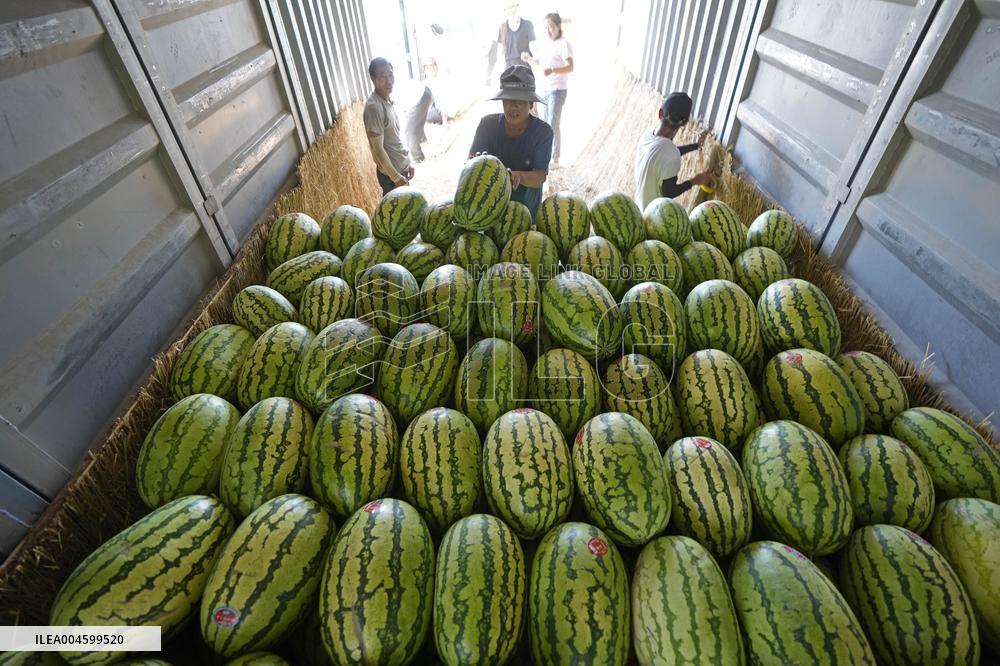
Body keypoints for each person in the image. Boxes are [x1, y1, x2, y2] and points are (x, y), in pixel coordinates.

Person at [469, 65, 553, 219]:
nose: (513, 105)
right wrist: (475, 164)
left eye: (520, 100)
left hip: (525, 215)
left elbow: (539, 176)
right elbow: (470, 163)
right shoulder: (487, 125)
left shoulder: (543, 132)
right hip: (488, 215)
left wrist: (509, 175)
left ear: (531, 104)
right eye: (507, 99)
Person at [634, 92, 713, 210]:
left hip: (638, 207)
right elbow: (669, 193)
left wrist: (696, 146)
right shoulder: (670, 153)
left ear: (660, 113)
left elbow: (664, 154)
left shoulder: (648, 134)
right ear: (685, 123)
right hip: (653, 215)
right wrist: (695, 181)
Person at [522, 12, 573, 166]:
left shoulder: (564, 43)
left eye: (551, 27)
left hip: (558, 90)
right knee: (544, 124)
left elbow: (570, 66)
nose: (548, 30)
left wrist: (552, 70)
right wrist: (528, 59)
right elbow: (541, 63)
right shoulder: (547, 44)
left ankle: (555, 158)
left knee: (552, 123)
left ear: (558, 27)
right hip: (546, 89)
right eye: (545, 27)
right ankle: (545, 155)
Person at [363, 57, 413, 195]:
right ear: (373, 79)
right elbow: (378, 150)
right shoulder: (374, 108)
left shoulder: (387, 100)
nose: (389, 80)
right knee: (399, 214)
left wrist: (408, 162)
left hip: (401, 170)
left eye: (390, 75)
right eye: (382, 77)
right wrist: (396, 178)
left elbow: (395, 137)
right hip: (391, 177)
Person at [497, 3, 536, 70]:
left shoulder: (527, 25)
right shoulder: (502, 27)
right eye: (508, 7)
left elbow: (534, 49)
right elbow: (501, 53)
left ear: (518, 6)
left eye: (513, 6)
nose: (511, 10)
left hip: (524, 68)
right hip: (509, 69)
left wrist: (531, 59)